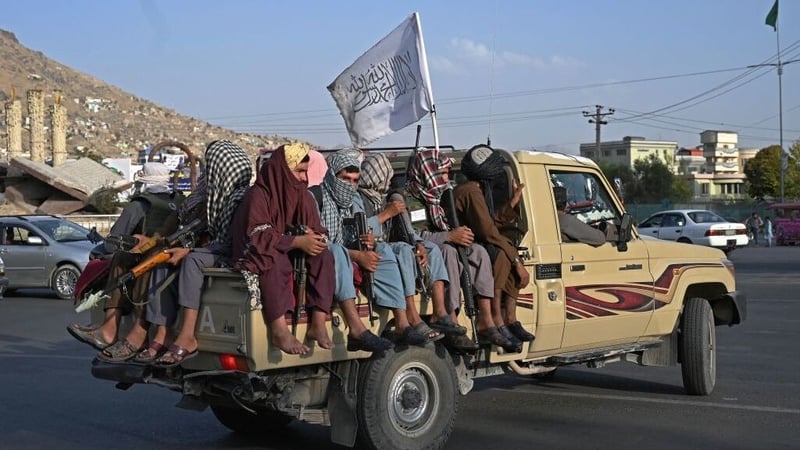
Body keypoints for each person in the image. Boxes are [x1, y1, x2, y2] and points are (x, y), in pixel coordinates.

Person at [106, 140, 252, 367]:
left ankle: (156, 332)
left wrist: (188, 250)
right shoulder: (204, 197)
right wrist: (153, 243)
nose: (208, 175)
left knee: (178, 260)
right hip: (204, 249)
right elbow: (173, 229)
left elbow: (229, 241)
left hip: (224, 255)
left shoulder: (239, 198)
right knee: (160, 260)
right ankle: (156, 333)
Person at [319, 150, 441, 346]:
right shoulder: (319, 197)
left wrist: (371, 242)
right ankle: (356, 329)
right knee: (339, 252)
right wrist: (359, 253)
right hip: (328, 254)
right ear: (333, 176)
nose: (350, 185)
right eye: (345, 179)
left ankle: (402, 321)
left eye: (355, 180)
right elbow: (322, 242)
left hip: (353, 248)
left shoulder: (361, 198)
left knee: (386, 249)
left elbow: (361, 230)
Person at [359, 153, 476, 352]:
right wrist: (387, 214)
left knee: (433, 251)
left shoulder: (434, 197)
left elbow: (411, 232)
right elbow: (360, 230)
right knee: (408, 250)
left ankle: (440, 311)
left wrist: (420, 243)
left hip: (395, 242)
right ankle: (410, 317)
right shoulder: (365, 197)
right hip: (374, 246)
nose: (387, 179)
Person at [67, 162, 183, 352]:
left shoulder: (140, 205)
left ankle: (127, 329)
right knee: (123, 258)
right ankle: (109, 329)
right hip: (157, 250)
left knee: (121, 257)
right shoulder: (178, 201)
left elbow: (112, 241)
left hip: (158, 256)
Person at [231, 143, 334, 355]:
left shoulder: (302, 195)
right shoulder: (258, 194)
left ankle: (318, 322)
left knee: (322, 255)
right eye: (299, 171)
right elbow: (257, 236)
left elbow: (319, 230)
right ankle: (279, 329)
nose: (305, 178)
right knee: (273, 260)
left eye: (306, 171)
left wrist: (312, 237)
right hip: (256, 250)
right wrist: (294, 242)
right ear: (283, 171)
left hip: (286, 245)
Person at [406, 148, 510, 351]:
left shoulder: (444, 196)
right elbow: (415, 237)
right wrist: (449, 236)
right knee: (447, 251)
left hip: (450, 244)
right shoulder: (411, 199)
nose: (446, 178)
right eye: (442, 173)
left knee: (479, 252)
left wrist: (461, 233)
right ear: (430, 173)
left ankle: (486, 320)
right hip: (426, 253)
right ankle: (451, 317)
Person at [455, 144, 534, 352]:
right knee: (502, 254)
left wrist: (513, 202)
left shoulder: (476, 190)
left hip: (476, 240)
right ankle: (497, 319)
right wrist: (517, 261)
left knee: (506, 251)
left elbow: (489, 222)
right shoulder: (471, 191)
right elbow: (488, 231)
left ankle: (510, 318)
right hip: (467, 245)